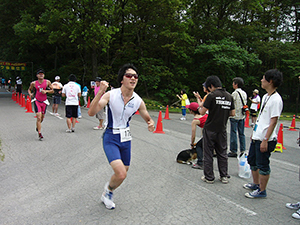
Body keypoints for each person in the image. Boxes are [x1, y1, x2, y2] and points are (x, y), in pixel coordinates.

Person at [88, 63, 155, 210]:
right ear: (122, 79)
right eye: (129, 76)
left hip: (126, 138)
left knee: (124, 171)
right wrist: (100, 92)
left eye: (135, 76)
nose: (133, 79)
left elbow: (147, 117)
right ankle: (108, 192)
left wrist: (150, 122)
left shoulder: (137, 100)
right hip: (111, 136)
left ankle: (109, 190)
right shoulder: (111, 95)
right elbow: (91, 113)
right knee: (121, 174)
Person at [244, 69, 283, 198]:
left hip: (266, 138)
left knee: (263, 165)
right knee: (252, 161)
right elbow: (262, 118)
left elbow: (273, 121)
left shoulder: (276, 99)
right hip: (257, 136)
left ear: (270, 81)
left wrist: (266, 139)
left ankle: (262, 190)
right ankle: (256, 184)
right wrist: (254, 132)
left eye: (263, 78)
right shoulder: (266, 96)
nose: (261, 80)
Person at [199, 75, 235, 184]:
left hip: (210, 128)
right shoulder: (229, 96)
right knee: (222, 152)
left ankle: (209, 177)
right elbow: (232, 113)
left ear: (211, 86)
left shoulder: (211, 96)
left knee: (208, 152)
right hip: (222, 128)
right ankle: (224, 176)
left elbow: (202, 112)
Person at [28, 69, 53, 140]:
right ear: (37, 75)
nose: (41, 75)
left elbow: (52, 90)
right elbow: (29, 89)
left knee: (42, 118)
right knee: (38, 117)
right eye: (39, 74)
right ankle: (39, 133)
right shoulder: (34, 83)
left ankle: (38, 126)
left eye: (42, 74)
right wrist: (30, 94)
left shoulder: (47, 82)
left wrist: (46, 91)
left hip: (44, 101)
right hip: (37, 101)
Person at [228, 77, 247, 158]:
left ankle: (233, 150)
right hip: (242, 116)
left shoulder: (234, 93)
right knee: (241, 133)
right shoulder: (244, 93)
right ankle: (243, 150)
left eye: (233, 83)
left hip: (234, 116)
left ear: (236, 84)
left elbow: (231, 104)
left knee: (233, 133)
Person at [187, 102, 208, 169]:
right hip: (216, 131)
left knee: (199, 145)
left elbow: (193, 135)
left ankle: (200, 162)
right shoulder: (205, 114)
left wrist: (192, 144)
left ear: (191, 111)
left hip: (209, 133)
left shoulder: (195, 120)